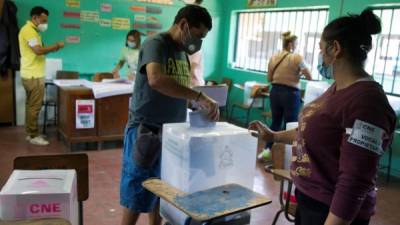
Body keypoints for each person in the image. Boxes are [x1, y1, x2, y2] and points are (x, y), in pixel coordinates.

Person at [249, 9, 396, 225]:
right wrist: (274, 135)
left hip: (331, 212)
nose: (319, 55)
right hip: (311, 201)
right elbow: (313, 131)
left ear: (334, 48)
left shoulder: (367, 103)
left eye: (320, 48)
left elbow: (355, 181)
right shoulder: (338, 88)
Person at [120, 5, 219, 225]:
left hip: (172, 133)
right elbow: (156, 79)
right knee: (137, 192)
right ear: (183, 25)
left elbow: (177, 88)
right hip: (146, 130)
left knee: (161, 190)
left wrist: (197, 107)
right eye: (198, 34)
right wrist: (199, 97)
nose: (199, 41)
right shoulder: (156, 44)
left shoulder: (182, 52)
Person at [258, 31, 312, 161]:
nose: (297, 46)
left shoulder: (273, 58)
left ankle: (266, 152)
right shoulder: (297, 58)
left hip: (275, 92)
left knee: (276, 122)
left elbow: (269, 78)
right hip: (291, 94)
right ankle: (285, 158)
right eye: (296, 43)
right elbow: (309, 76)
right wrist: (297, 75)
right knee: (290, 125)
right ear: (291, 44)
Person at [18, 6, 64, 146]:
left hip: (31, 73)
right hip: (33, 75)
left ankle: (30, 132)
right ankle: (33, 135)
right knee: (35, 106)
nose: (45, 24)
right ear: (35, 18)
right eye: (43, 20)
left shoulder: (33, 31)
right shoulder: (28, 31)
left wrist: (49, 49)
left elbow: (39, 51)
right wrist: (55, 46)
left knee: (30, 105)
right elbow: (38, 51)